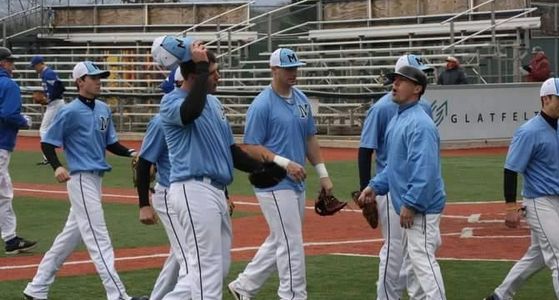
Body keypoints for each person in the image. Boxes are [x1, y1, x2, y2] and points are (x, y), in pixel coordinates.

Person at [23, 61, 147, 300]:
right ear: (80, 82)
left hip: (96, 179)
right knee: (99, 236)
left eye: (100, 77)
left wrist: (133, 153)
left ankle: (36, 288)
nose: (99, 81)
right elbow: (47, 142)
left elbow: (111, 143)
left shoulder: (102, 108)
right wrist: (57, 166)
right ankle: (118, 295)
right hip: (79, 179)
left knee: (69, 239)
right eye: (94, 77)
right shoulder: (68, 111)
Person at [156, 37, 266, 300]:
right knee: (207, 271)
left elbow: (230, 151)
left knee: (216, 269)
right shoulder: (171, 102)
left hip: (215, 192)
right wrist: (201, 67)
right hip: (192, 190)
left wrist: (260, 168)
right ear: (195, 75)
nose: (218, 78)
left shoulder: (214, 104)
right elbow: (190, 112)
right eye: (212, 73)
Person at [228, 48, 334, 300]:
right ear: (273, 70)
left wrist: (323, 174)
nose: (293, 72)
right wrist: (285, 163)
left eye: (295, 67)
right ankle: (293, 295)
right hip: (273, 181)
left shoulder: (301, 99)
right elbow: (251, 145)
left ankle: (244, 285)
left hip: (296, 180)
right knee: (291, 241)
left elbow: (310, 138)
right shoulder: (262, 104)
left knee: (282, 238)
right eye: (288, 68)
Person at [484, 77, 559, 300]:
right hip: (538, 202)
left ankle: (499, 296)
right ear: (545, 99)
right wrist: (510, 207)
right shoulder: (528, 131)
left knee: (536, 256)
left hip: (555, 204)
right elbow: (511, 169)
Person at [359, 65, 447, 300]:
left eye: (401, 81)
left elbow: (424, 171)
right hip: (411, 206)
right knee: (415, 266)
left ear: (417, 88)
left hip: (422, 208)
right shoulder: (399, 119)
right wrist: (374, 186)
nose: (394, 85)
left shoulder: (419, 123)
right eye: (394, 80)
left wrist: (411, 203)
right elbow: (396, 167)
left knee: (423, 263)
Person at [135, 113, 189, 300]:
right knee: (192, 262)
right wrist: (144, 204)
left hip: (190, 196)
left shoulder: (198, 115)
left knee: (178, 256)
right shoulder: (161, 122)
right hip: (168, 193)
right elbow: (143, 163)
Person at [0, 47, 37, 255]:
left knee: (4, 193)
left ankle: (11, 239)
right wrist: (25, 121)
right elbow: (9, 114)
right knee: (3, 193)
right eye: (9, 61)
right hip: (1, 144)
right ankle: (11, 239)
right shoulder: (8, 84)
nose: (12, 65)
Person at [30, 55, 66, 166]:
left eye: (34, 66)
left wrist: (48, 99)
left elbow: (60, 87)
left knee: (44, 129)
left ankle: (48, 156)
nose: (34, 68)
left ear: (40, 64)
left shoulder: (48, 73)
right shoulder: (46, 73)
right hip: (55, 104)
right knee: (63, 130)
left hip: (56, 104)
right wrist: (46, 98)